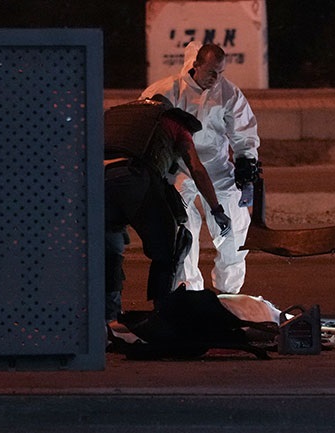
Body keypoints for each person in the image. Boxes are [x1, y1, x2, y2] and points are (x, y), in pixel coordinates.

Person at [104, 95, 231, 336]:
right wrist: (216, 209)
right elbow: (196, 169)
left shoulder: (116, 118)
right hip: (134, 177)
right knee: (169, 247)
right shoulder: (172, 122)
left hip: (97, 180)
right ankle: (162, 318)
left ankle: (108, 321)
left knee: (109, 251)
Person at [141, 43, 260, 295]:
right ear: (196, 66)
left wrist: (246, 161)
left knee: (235, 228)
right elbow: (144, 126)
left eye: (221, 72)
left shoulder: (227, 92)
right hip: (177, 168)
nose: (216, 78)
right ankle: (188, 292)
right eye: (211, 72)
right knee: (183, 229)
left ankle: (229, 294)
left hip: (217, 167)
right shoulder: (166, 91)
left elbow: (244, 131)